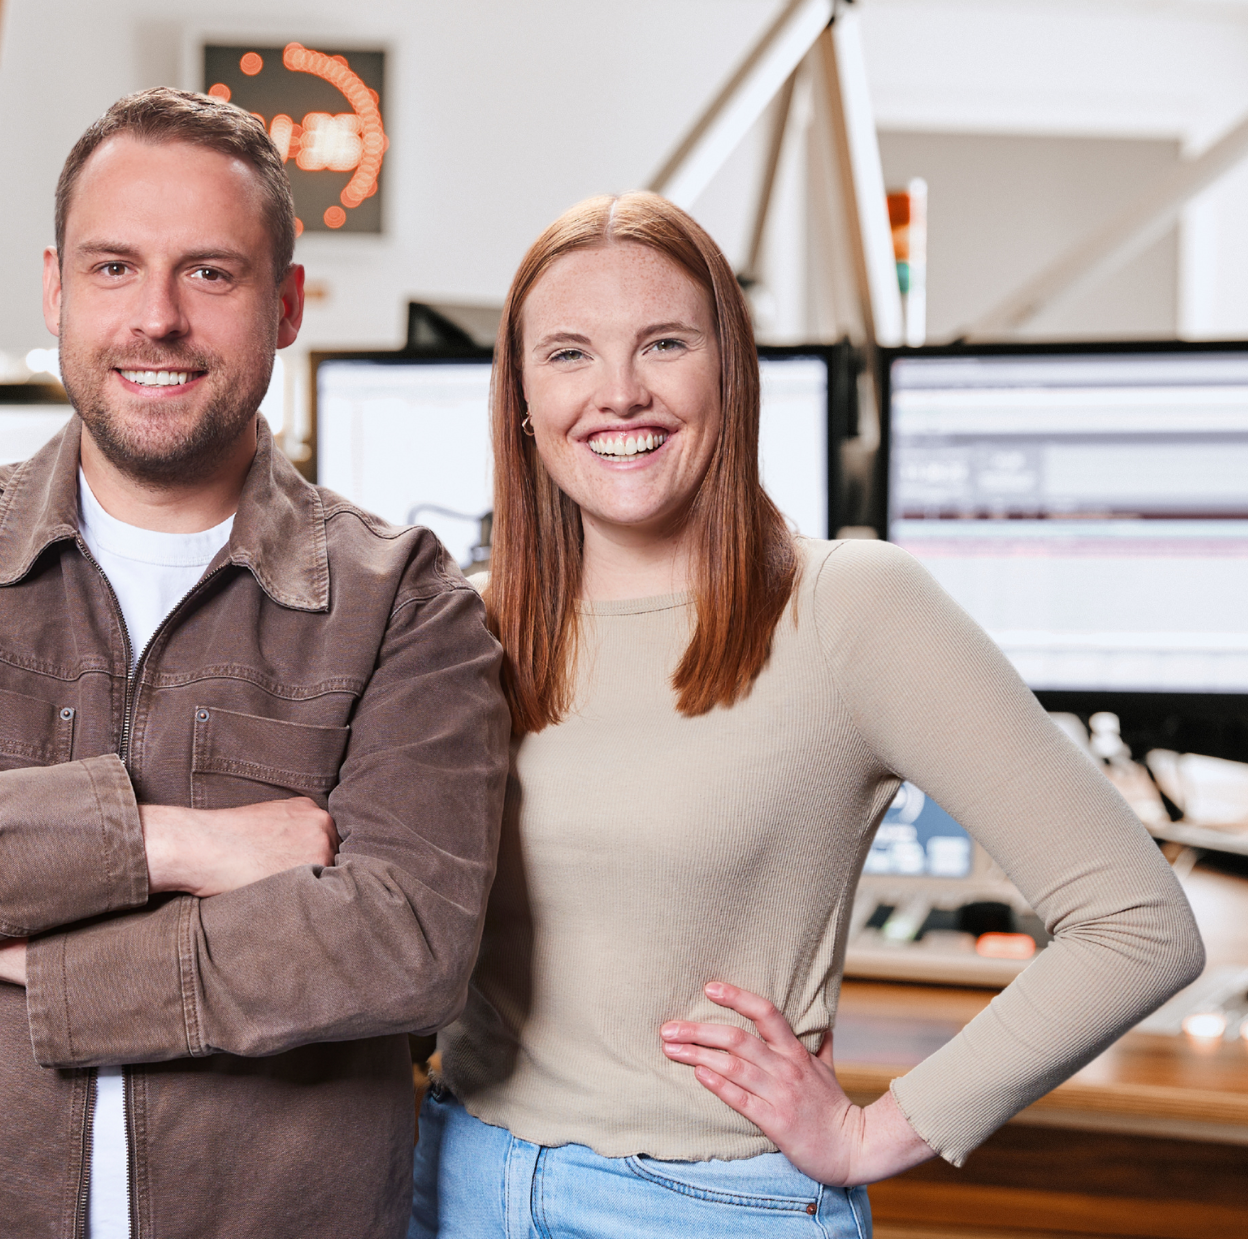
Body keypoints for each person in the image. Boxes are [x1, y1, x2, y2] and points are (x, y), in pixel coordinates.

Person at [409, 192, 1204, 1237]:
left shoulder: (852, 608)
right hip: (452, 1176)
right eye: (567, 354)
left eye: (663, 343)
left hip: (702, 1206)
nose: (619, 392)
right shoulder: (464, 625)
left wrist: (879, 1134)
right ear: (519, 395)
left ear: (729, 373)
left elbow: (1141, 925)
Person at [0, 88, 509, 1239]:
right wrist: (178, 843)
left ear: (284, 306)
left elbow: (406, 943)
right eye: (114, 268)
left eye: (211, 274)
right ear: (55, 289)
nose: (158, 319)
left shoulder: (404, 602)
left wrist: (59, 971)